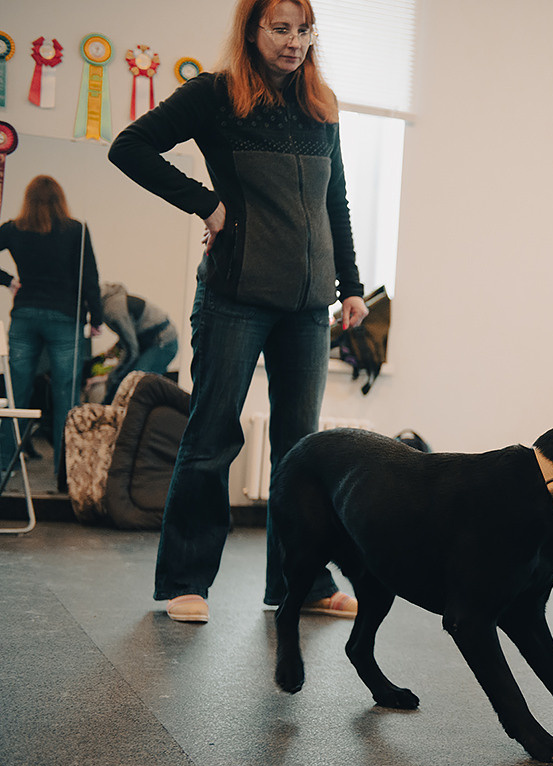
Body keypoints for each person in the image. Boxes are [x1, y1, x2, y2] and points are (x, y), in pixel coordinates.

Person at [108, 0, 368, 624]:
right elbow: (131, 147)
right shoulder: (215, 95)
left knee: (299, 450)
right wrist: (207, 203)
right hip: (234, 299)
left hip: (307, 308)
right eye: (281, 28)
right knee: (211, 437)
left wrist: (352, 284)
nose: (295, 41)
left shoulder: (320, 105)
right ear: (252, 30)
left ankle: (299, 584)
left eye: (305, 29)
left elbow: (336, 198)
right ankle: (185, 582)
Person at [0, 175, 103, 486]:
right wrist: (96, 318)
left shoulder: (13, 229)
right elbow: (90, 277)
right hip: (65, 318)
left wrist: (8, 281)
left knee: (14, 394)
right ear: (61, 199)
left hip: (25, 315)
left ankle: (5, 466)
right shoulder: (77, 230)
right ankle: (64, 475)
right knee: (66, 397)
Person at [98, 281, 180, 403]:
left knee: (135, 383)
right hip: (153, 340)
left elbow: (132, 349)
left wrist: (116, 374)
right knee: (134, 383)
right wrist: (117, 348)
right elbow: (132, 334)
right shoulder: (112, 302)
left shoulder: (112, 309)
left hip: (163, 343)